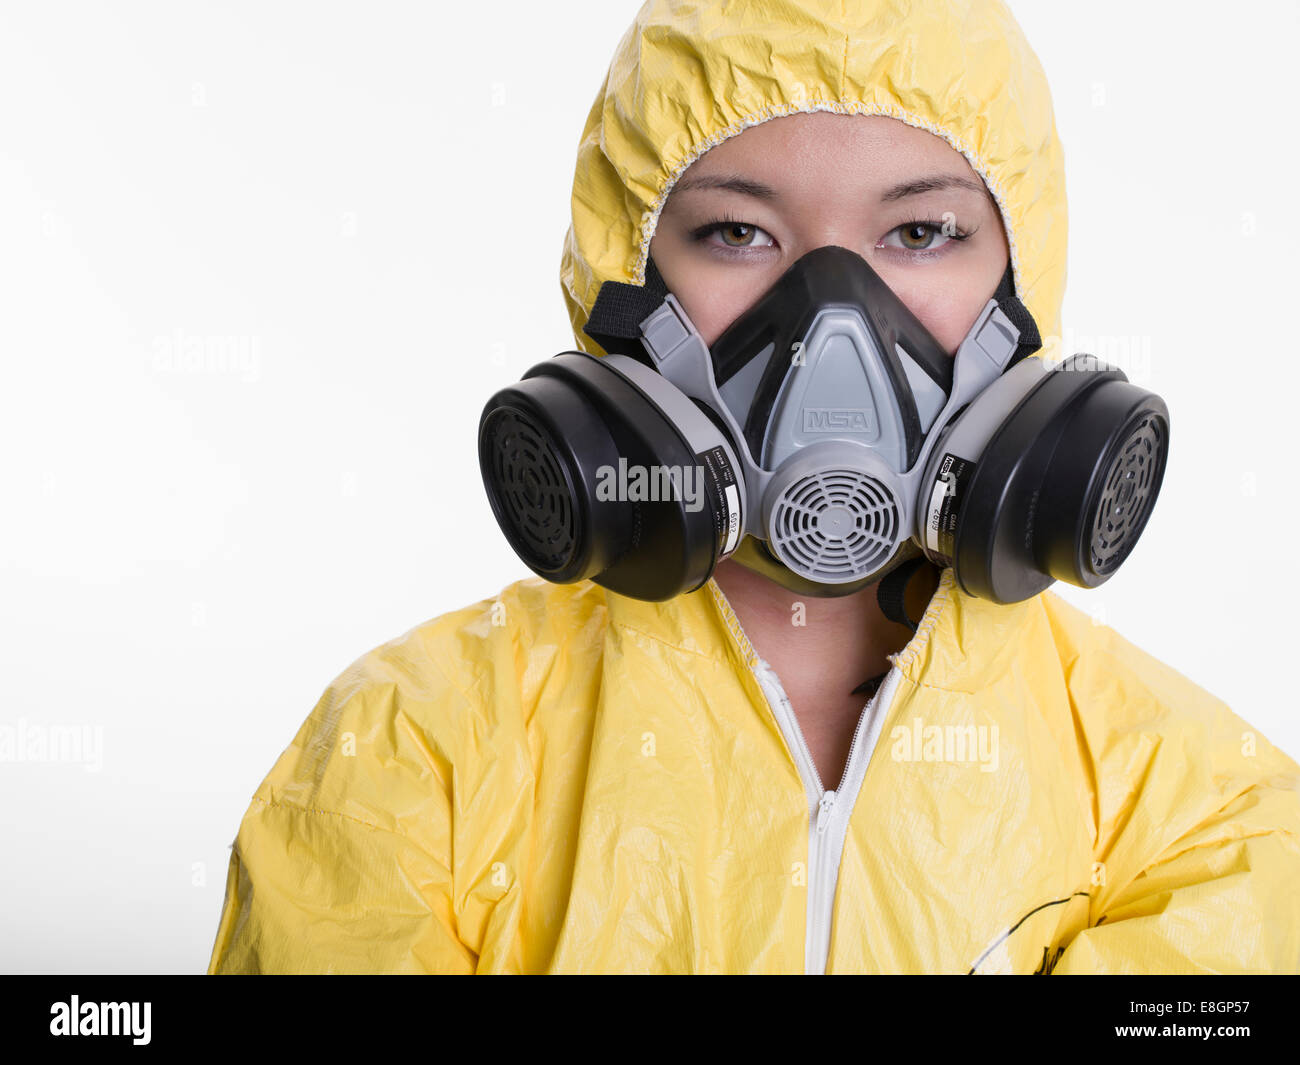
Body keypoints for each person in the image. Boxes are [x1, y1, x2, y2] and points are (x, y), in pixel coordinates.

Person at [207, 0, 1300, 974]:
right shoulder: (415, 755)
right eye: (737, 232)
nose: (832, 329)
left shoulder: (1206, 814)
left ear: (1021, 293)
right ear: (624, 286)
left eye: (921, 233)